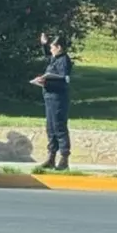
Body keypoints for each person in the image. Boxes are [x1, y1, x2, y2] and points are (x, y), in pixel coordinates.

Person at [36, 32, 73, 171]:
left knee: (59, 127)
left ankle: (64, 158)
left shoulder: (63, 60)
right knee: (50, 128)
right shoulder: (55, 58)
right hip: (49, 97)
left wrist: (46, 82)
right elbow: (47, 55)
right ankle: (51, 157)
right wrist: (44, 43)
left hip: (58, 98)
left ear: (59, 47)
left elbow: (63, 80)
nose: (51, 50)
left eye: (52, 47)